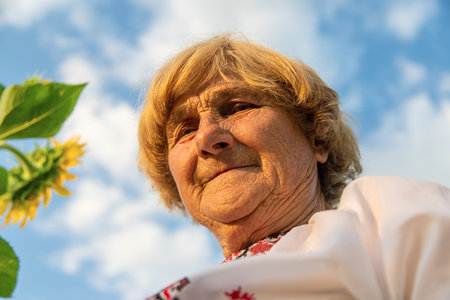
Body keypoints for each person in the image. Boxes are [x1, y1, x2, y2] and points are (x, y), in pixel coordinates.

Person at [138, 34, 450, 300]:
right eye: (185, 130)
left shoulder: (387, 222)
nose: (206, 137)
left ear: (318, 140)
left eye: (239, 107)